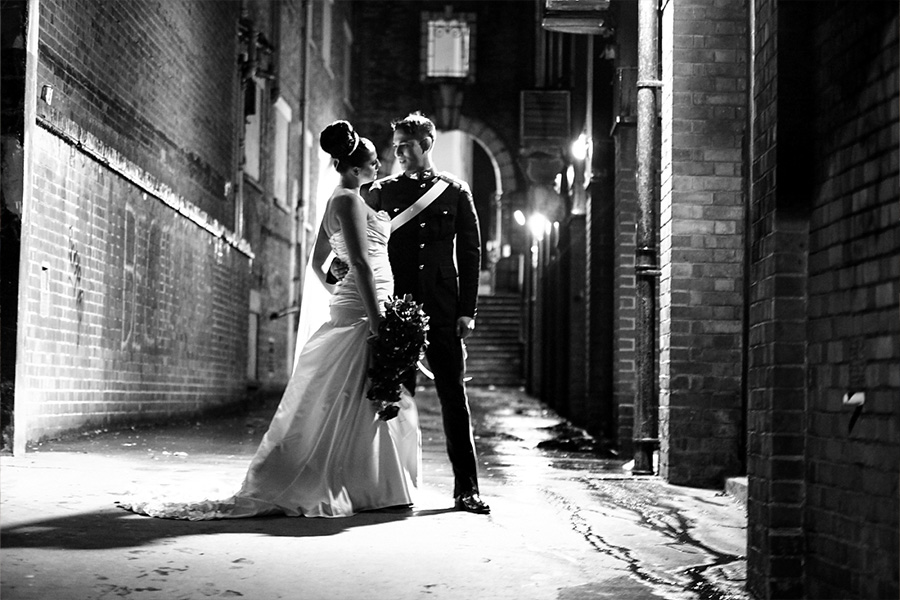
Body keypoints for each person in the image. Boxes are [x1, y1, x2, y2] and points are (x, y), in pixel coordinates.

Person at [118, 121, 420, 519]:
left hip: (363, 300)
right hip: (367, 305)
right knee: (351, 391)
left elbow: (317, 264)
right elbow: (360, 262)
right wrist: (374, 314)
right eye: (372, 162)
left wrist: (342, 293)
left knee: (355, 391)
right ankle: (357, 482)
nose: (379, 166)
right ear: (353, 167)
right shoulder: (347, 200)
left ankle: (367, 483)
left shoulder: (343, 199)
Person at [365, 112, 489, 515]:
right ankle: (390, 487)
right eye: (396, 145)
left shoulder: (454, 191)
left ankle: (466, 490)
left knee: (454, 396)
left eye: (406, 145)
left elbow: (471, 255)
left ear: (427, 144)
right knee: (395, 396)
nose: (398, 153)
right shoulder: (381, 192)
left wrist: (467, 310)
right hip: (396, 306)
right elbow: (363, 244)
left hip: (442, 307)